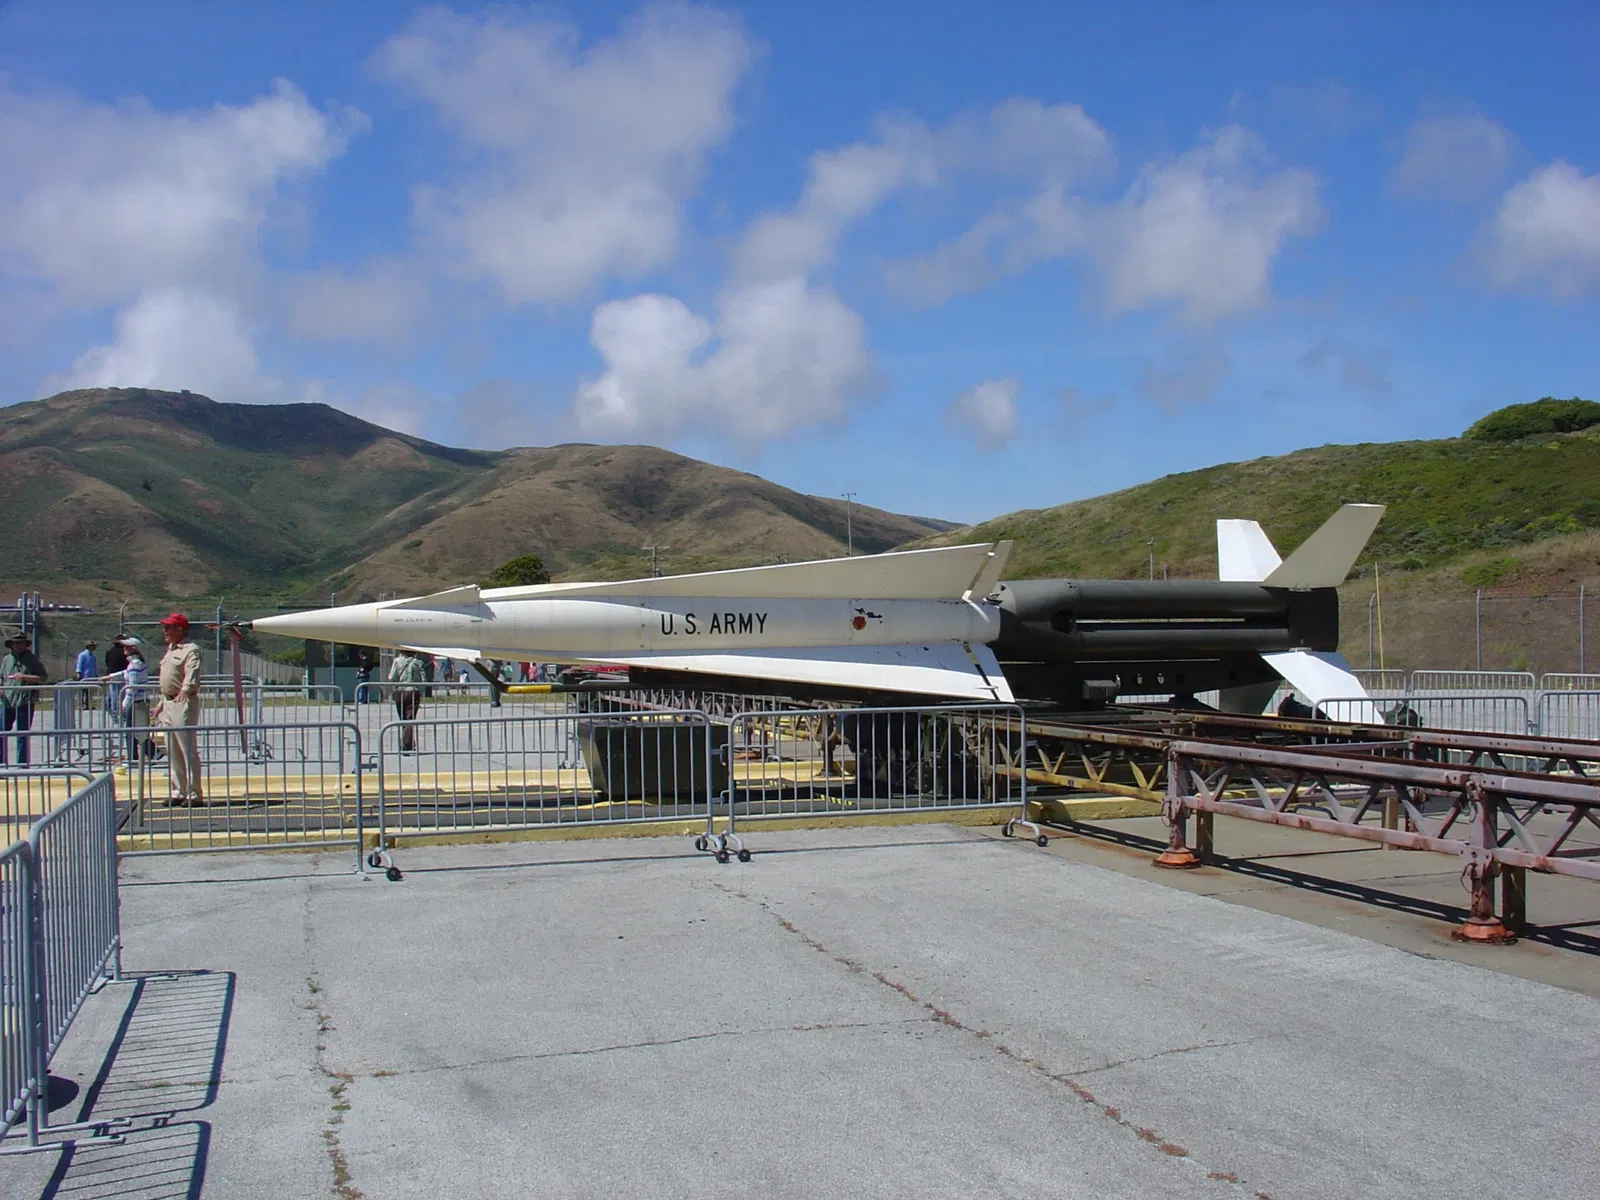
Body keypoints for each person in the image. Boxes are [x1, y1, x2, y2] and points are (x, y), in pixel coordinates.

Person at [154, 613, 205, 805]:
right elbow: (169, 678)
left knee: (186, 748)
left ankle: (194, 793)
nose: (164, 631)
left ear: (180, 629)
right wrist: (161, 702)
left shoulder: (190, 650)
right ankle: (178, 790)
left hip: (183, 701)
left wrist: (186, 689)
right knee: (172, 748)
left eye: (168, 628)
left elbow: (191, 672)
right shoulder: (170, 649)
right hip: (168, 702)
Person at [1, 632, 49, 766]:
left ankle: (22, 764)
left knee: (22, 734)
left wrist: (24, 677)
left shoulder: (32, 660)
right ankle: (1, 763)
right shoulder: (6, 660)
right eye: (16, 643)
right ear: (12, 645)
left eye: (21, 643)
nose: (19, 646)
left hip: (25, 701)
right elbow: (1, 677)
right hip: (7, 701)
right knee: (2, 732)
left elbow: (43, 677)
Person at [102, 639, 150, 763]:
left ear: (133, 648)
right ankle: (151, 752)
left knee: (130, 731)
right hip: (140, 701)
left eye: (127, 646)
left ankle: (133, 757)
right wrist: (110, 677)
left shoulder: (134, 665)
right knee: (137, 729)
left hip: (136, 702)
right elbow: (125, 672)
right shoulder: (136, 664)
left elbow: (132, 689)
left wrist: (124, 705)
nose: (124, 648)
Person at [388, 647, 425, 752]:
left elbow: (392, 677)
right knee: (410, 718)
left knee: (403, 718)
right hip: (413, 691)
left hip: (399, 691)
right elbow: (423, 679)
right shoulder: (418, 662)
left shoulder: (397, 661)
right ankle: (407, 744)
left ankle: (407, 743)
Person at [76, 637, 99, 709]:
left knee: (89, 691)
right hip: (84, 676)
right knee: (82, 691)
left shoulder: (93, 656)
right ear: (89, 646)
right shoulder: (82, 655)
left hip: (91, 676)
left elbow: (94, 665)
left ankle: (88, 704)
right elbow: (79, 664)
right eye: (93, 646)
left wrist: (95, 674)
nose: (94, 647)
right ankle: (81, 704)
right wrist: (78, 672)